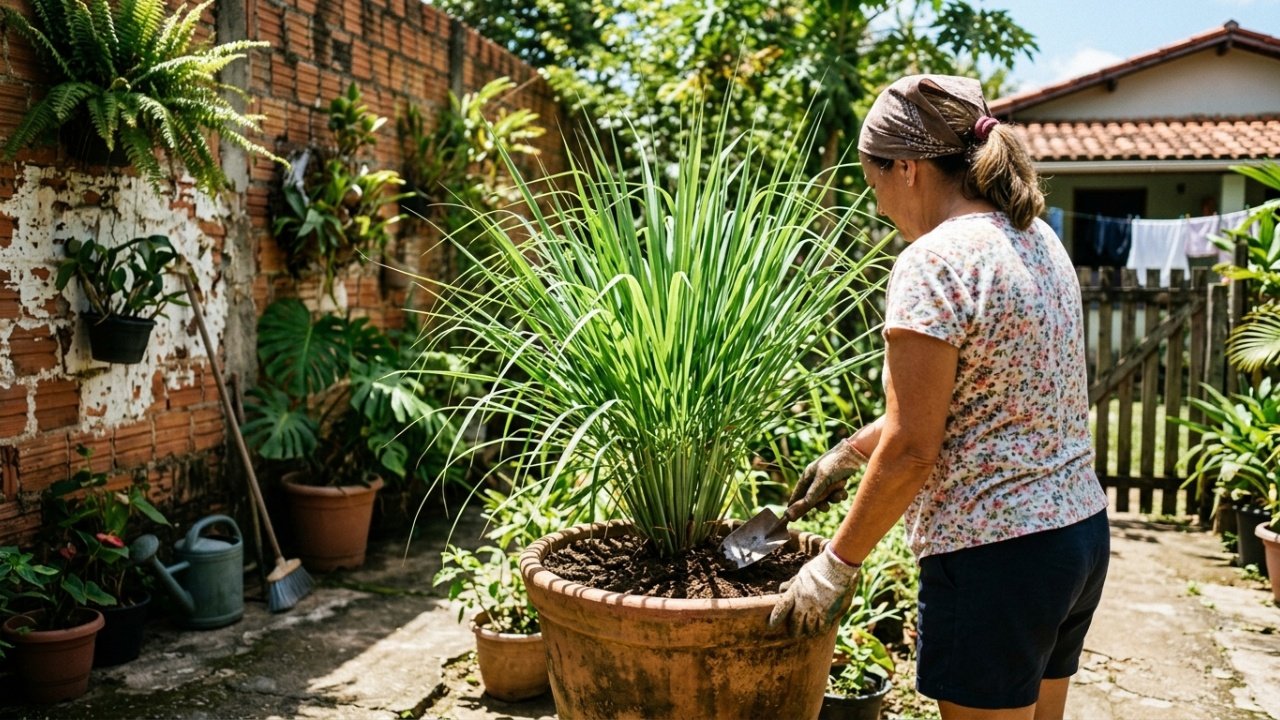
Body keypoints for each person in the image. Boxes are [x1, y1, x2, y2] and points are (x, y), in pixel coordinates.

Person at [768, 74, 1110, 720]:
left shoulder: (934, 262)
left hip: (996, 559)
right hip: (1076, 541)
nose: (877, 206)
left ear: (907, 167)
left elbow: (912, 451)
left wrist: (835, 566)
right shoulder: (1036, 238)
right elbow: (991, 391)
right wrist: (848, 451)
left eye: (874, 185)